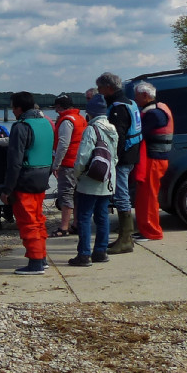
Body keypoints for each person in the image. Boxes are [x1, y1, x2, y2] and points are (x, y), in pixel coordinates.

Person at [0, 92, 54, 275]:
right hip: (43, 177)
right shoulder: (46, 123)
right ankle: (42, 257)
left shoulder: (20, 127)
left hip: (25, 179)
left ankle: (35, 262)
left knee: (28, 221)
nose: (13, 111)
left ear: (19, 108)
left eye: (13, 107)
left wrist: (7, 189)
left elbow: (14, 161)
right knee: (38, 219)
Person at [67, 94, 118, 266]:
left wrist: (77, 174)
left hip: (90, 180)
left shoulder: (91, 129)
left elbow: (82, 157)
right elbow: (115, 157)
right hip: (107, 178)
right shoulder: (112, 128)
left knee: (84, 217)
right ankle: (101, 252)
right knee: (102, 216)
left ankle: (83, 254)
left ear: (91, 113)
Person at [95, 72, 142, 255]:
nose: (99, 91)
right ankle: (124, 237)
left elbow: (118, 136)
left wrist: (112, 158)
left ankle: (125, 239)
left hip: (122, 158)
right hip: (132, 155)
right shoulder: (130, 102)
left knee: (122, 195)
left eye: (100, 87)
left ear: (108, 87)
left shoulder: (117, 107)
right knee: (122, 194)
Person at [133, 81, 172, 242]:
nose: (135, 100)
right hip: (154, 159)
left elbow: (140, 133)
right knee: (144, 196)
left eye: (136, 96)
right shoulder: (160, 109)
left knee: (148, 197)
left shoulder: (153, 114)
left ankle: (152, 231)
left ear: (144, 95)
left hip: (153, 159)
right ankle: (145, 228)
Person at [50, 93, 87, 237]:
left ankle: (63, 227)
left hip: (68, 163)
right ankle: (76, 224)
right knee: (77, 194)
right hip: (80, 162)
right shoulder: (80, 118)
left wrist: (56, 164)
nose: (56, 112)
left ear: (60, 107)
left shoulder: (66, 121)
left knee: (66, 195)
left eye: (56, 108)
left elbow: (63, 144)